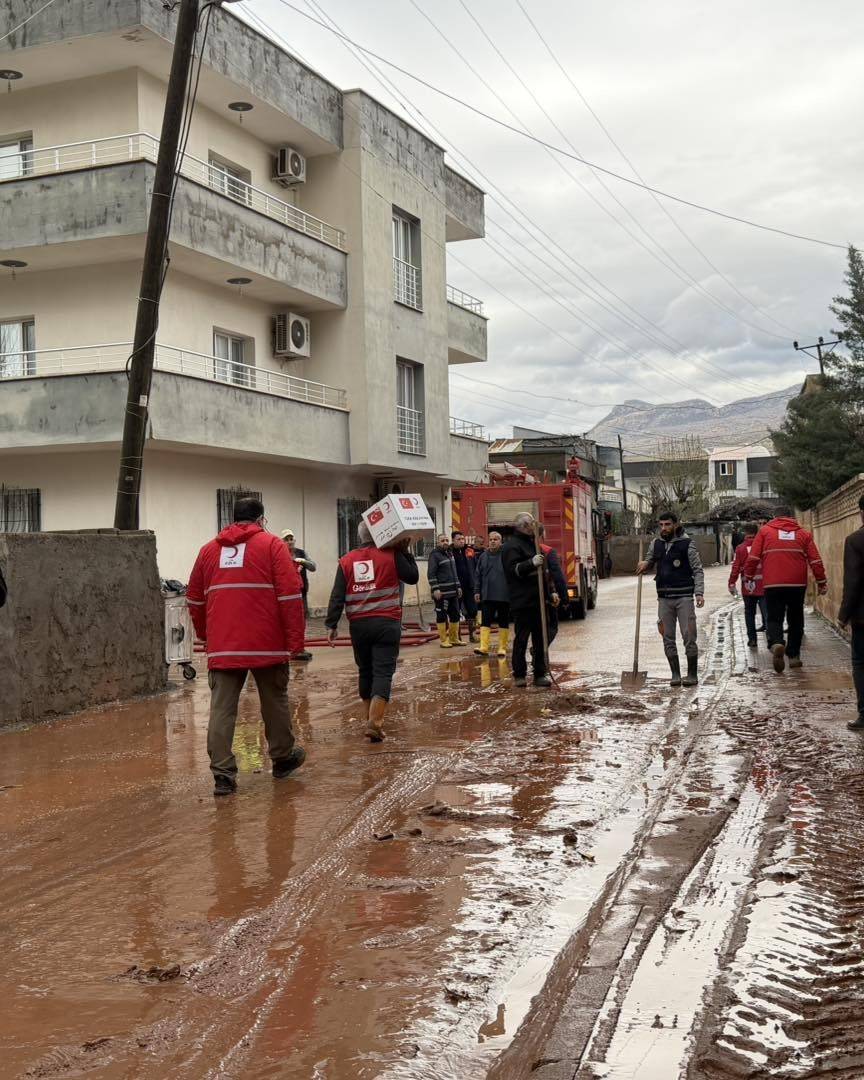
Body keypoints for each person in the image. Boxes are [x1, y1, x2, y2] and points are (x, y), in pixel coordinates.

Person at [187, 497, 306, 797]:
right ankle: (282, 758)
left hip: (224, 644)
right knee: (274, 701)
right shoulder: (273, 546)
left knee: (221, 709)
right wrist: (295, 642)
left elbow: (194, 599)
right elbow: (290, 596)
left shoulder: (208, 551)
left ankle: (222, 775)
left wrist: (206, 635)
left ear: (233, 518)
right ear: (261, 519)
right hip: (267, 643)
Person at [325, 522, 418, 742]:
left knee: (365, 671)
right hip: (387, 623)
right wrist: (405, 551)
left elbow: (337, 595)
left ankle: (369, 718)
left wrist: (331, 625)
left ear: (360, 537)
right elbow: (412, 577)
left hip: (359, 626)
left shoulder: (346, 560)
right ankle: (374, 723)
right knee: (383, 672)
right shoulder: (392, 554)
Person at [744, 505, 827, 673]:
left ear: (775, 517)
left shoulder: (765, 532)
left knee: (774, 617)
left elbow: (753, 557)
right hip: (797, 584)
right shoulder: (803, 534)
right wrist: (821, 581)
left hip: (773, 583)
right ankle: (794, 656)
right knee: (796, 618)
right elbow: (815, 560)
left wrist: (749, 575)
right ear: (791, 517)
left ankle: (776, 643)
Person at [637, 510, 705, 688]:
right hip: (664, 598)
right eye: (661, 525)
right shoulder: (656, 544)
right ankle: (675, 674)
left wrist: (699, 593)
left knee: (689, 635)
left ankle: (692, 675)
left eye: (667, 524)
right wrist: (645, 564)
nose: (664, 528)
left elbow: (697, 570)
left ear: (675, 524)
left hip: (684, 597)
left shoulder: (687, 544)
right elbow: (650, 560)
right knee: (667, 636)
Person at [502, 513, 553, 688]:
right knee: (522, 639)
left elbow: (544, 573)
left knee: (540, 639)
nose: (534, 526)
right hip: (522, 601)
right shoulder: (511, 547)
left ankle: (540, 673)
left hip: (539, 600)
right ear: (523, 526)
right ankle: (519, 674)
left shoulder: (534, 544)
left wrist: (550, 593)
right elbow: (513, 570)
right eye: (531, 523)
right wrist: (530, 563)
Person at [839, 495, 864, 730]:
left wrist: (843, 615)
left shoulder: (856, 540)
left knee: (860, 662)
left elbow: (853, 581)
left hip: (863, 617)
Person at [728, 522, 766, 648]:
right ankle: (771, 638)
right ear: (757, 532)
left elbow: (736, 568)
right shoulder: (763, 546)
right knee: (767, 612)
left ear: (745, 533)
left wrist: (731, 583)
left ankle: (752, 639)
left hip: (747, 587)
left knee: (749, 613)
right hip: (763, 586)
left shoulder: (740, 548)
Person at [281, 528, 317, 661]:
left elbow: (313, 567)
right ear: (282, 541)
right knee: (289, 622)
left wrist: (303, 561)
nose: (290, 541)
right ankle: (290, 648)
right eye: (286, 539)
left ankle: (300, 648)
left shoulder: (301, 553)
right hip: (286, 594)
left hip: (301, 592)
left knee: (301, 621)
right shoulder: (280, 554)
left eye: (291, 539)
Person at [473, 530, 510, 657]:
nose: (493, 541)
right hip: (487, 594)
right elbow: (478, 575)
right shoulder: (483, 556)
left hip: (504, 595)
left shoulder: (506, 555)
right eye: (491, 539)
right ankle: (484, 647)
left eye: (496, 539)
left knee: (503, 621)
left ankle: (502, 648)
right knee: (485, 621)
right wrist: (477, 591)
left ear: (501, 541)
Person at [428, 533, 463, 648]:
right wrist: (435, 589)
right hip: (442, 593)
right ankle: (444, 640)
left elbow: (455, 572)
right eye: (442, 540)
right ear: (438, 542)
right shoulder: (434, 555)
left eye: (447, 540)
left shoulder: (450, 554)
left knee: (455, 615)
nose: (445, 542)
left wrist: (458, 586)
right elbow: (431, 573)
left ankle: (454, 639)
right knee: (442, 616)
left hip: (453, 592)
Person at [538, 524, 567, 644]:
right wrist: (564, 598)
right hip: (546, 597)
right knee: (552, 626)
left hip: (522, 600)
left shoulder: (516, 550)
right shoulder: (548, 551)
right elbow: (558, 576)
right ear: (542, 535)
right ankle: (539, 650)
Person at [452, 531, 478, 642]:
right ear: (453, 540)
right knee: (455, 611)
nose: (462, 541)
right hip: (455, 587)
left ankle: (473, 635)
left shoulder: (469, 551)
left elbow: (476, 566)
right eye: (458, 539)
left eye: (462, 539)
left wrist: (476, 583)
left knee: (472, 610)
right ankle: (457, 637)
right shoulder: (449, 552)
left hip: (469, 586)